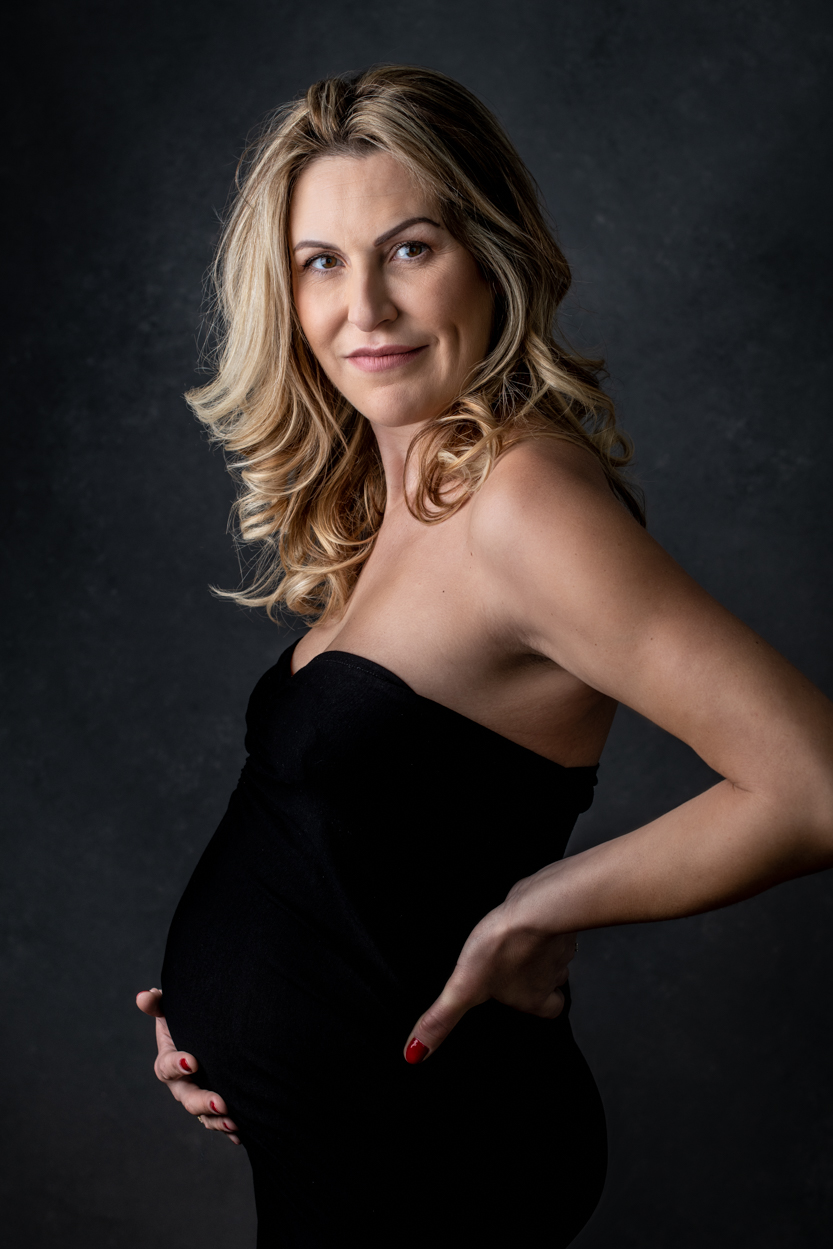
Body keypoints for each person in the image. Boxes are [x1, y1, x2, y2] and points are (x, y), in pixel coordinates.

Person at [136, 64, 833, 1246]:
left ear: (490, 256)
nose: (364, 306)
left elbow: (811, 784)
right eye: (321, 262)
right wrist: (214, 1023)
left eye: (408, 249)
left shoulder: (522, 504)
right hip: (346, 1149)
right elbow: (349, 845)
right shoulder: (395, 500)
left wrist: (537, 908)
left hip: (436, 1154)